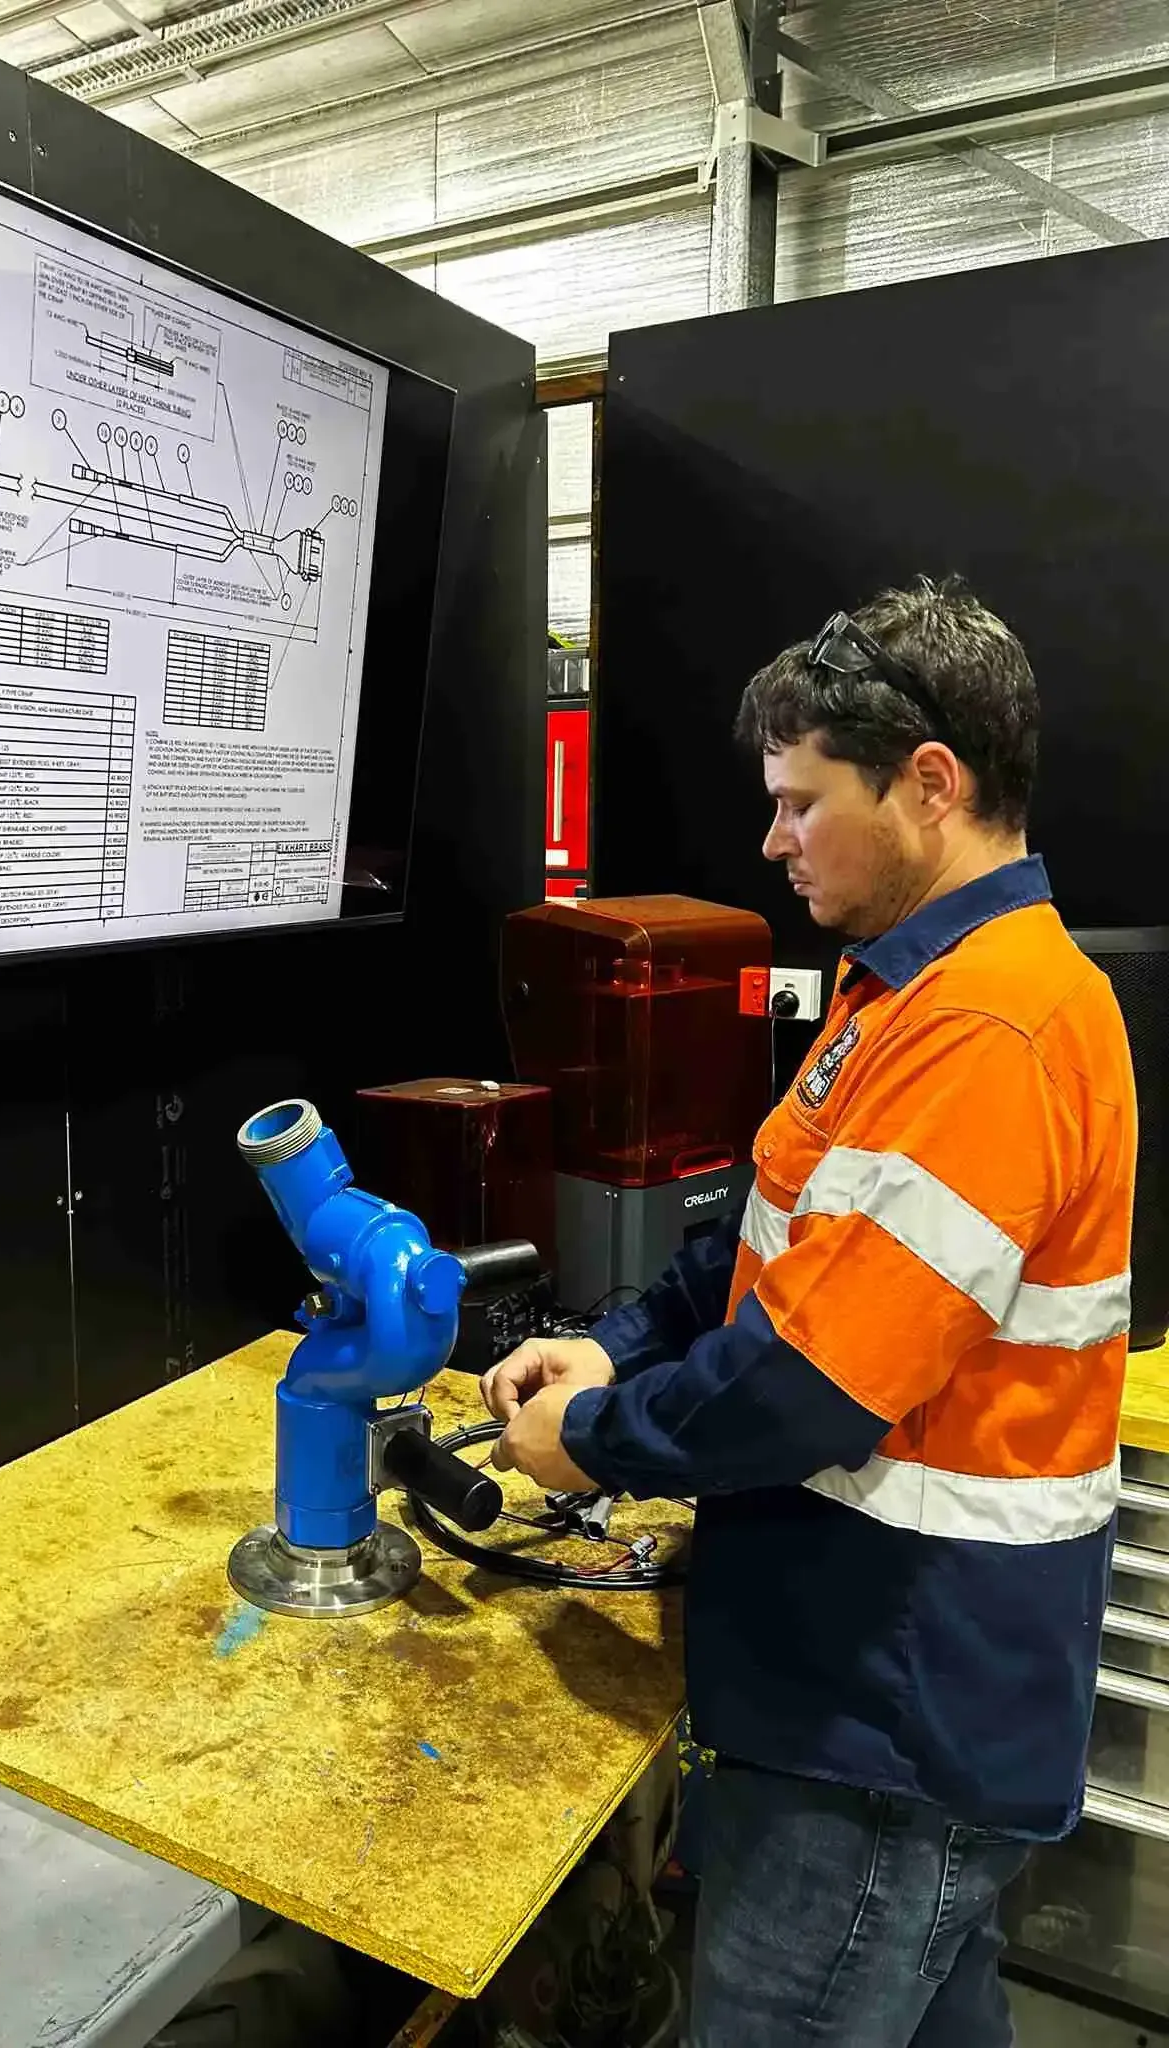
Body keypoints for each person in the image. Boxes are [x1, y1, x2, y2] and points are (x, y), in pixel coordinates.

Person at [482, 577, 1136, 2048]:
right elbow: (769, 1243)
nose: (772, 840)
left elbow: (808, 1388)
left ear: (929, 784)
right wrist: (621, 1341)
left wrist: (590, 1440)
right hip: (879, 1688)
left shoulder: (988, 1025)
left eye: (799, 803)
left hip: (889, 1715)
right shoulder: (901, 990)